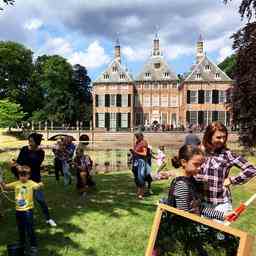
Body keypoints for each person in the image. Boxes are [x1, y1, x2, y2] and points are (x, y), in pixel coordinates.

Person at [197, 121, 256, 215]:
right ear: (209, 136)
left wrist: (232, 180)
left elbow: (251, 169)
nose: (222, 140)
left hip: (221, 204)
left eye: (224, 137)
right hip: (201, 204)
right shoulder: (199, 152)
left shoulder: (227, 154)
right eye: (218, 137)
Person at [166, 145, 232, 221]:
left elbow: (199, 208)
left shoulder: (191, 181)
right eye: (196, 164)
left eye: (200, 165)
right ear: (184, 162)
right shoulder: (182, 184)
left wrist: (223, 215)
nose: (200, 168)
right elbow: (183, 216)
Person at [12, 133, 57, 227]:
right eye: (29, 140)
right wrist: (17, 165)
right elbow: (20, 161)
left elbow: (34, 164)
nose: (29, 142)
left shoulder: (41, 152)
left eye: (31, 141)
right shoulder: (24, 149)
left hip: (35, 179)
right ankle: (25, 219)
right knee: (23, 200)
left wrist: (21, 166)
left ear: (37, 142)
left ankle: (48, 219)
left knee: (40, 199)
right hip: (23, 179)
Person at [0, 165, 43, 255]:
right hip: (18, 211)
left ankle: (33, 246)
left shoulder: (31, 183)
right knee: (21, 229)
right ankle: (22, 245)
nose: (23, 177)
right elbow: (5, 187)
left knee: (30, 229)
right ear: (18, 175)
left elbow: (37, 186)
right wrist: (1, 182)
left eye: (25, 175)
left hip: (28, 211)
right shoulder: (16, 183)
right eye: (21, 175)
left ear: (29, 175)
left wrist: (40, 185)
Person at [130, 132, 148, 199]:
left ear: (141, 136)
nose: (136, 138)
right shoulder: (137, 142)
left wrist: (136, 152)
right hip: (135, 161)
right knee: (136, 177)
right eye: (136, 137)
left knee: (140, 177)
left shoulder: (143, 142)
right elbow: (135, 152)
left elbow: (145, 153)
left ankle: (141, 193)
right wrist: (132, 156)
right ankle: (139, 191)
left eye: (137, 136)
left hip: (141, 162)